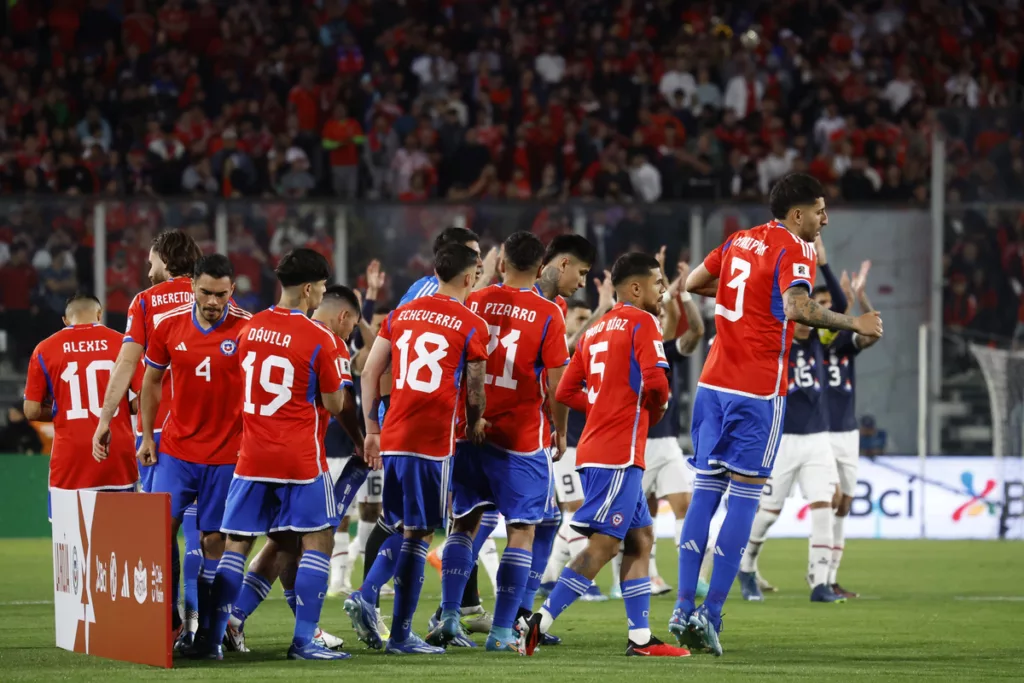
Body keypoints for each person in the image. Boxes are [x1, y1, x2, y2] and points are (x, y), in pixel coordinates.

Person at [670, 173, 883, 657]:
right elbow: (796, 307)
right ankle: (711, 616)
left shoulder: (738, 240)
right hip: (758, 390)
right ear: (796, 214)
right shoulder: (796, 249)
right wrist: (854, 321)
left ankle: (683, 607)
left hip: (712, 384)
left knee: (705, 494)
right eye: (819, 211)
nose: (824, 219)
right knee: (743, 500)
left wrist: (739, 306)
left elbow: (697, 283)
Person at [519, 252, 690, 658]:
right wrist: (656, 406)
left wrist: (602, 406)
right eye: (657, 283)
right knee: (605, 546)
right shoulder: (643, 322)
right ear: (635, 288)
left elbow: (564, 391)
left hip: (601, 448)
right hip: (617, 454)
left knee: (641, 539)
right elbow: (656, 382)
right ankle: (538, 622)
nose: (662, 290)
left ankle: (641, 638)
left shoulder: (595, 330)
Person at [205, 248, 357, 661]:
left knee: (237, 545)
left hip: (251, 456)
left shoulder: (250, 329)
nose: (321, 294)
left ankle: (214, 635)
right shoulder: (320, 338)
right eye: (322, 288)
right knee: (318, 540)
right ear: (309, 289)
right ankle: (305, 642)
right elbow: (334, 403)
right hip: (298, 459)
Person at [429, 231, 570, 652]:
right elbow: (557, 384)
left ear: (501, 262)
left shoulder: (474, 299)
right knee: (522, 530)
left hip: (471, 429)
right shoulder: (549, 313)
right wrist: (560, 429)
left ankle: (450, 617)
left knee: (464, 524)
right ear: (542, 268)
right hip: (521, 438)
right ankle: (503, 631)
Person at [357, 227, 495, 647]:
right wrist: (475, 421)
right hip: (432, 441)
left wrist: (372, 430)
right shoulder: (471, 322)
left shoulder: (402, 313)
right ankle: (386, 619)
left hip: (394, 429)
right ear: (470, 278)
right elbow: (474, 384)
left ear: (435, 272)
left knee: (399, 524)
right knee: (419, 533)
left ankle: (378, 608)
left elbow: (368, 371)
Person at [92, 229, 203, 639]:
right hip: (214, 432)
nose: (147, 266)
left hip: (161, 432)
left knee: (161, 529)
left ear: (165, 258)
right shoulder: (211, 295)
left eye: (152, 259)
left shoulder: (145, 302)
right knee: (205, 532)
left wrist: (105, 419)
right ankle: (208, 626)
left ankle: (171, 624)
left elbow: (125, 364)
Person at [136, 254, 250, 651]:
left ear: (231, 290)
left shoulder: (249, 330)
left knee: (214, 541)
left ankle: (209, 634)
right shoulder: (169, 327)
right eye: (206, 292)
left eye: (221, 294)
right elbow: (150, 382)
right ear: (192, 287)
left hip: (227, 455)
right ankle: (166, 620)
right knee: (158, 531)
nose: (214, 301)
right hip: (177, 451)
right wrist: (147, 437)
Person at [735, 234, 849, 604]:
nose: (804, 318)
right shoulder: (777, 335)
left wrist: (824, 263)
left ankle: (819, 583)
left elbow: (843, 305)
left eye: (809, 310)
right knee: (767, 514)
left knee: (823, 505)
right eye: (799, 309)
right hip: (782, 439)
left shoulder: (821, 338)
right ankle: (747, 567)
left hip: (816, 438)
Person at [609, 259, 706, 599]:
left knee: (685, 505)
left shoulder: (664, 348)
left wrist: (683, 295)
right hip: (636, 443)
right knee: (634, 518)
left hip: (666, 446)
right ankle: (629, 579)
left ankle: (691, 578)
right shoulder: (627, 341)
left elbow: (694, 331)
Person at [24, 294, 138, 517]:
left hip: (71, 458)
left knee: (70, 540)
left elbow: (31, 410)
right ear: (99, 314)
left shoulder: (45, 349)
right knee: (121, 536)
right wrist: (124, 408)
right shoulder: (124, 344)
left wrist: (60, 411)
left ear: (66, 320)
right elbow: (147, 395)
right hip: (116, 454)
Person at [824, 262, 881, 597]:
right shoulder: (810, 342)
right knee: (829, 499)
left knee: (844, 504)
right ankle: (818, 574)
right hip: (815, 433)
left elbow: (873, 331)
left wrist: (860, 297)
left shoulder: (845, 342)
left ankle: (830, 577)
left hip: (846, 431)